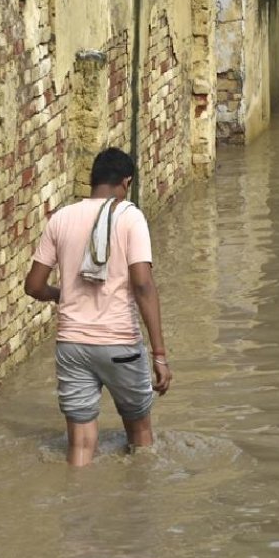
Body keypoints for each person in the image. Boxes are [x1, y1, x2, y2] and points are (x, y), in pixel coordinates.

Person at [24, 147, 173, 466]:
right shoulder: (130, 216)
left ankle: (77, 506)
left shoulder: (61, 218)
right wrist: (160, 355)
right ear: (126, 182)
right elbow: (143, 284)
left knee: (79, 446)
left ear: (92, 181)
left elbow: (34, 286)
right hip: (120, 345)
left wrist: (58, 294)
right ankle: (140, 506)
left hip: (72, 345)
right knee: (140, 434)